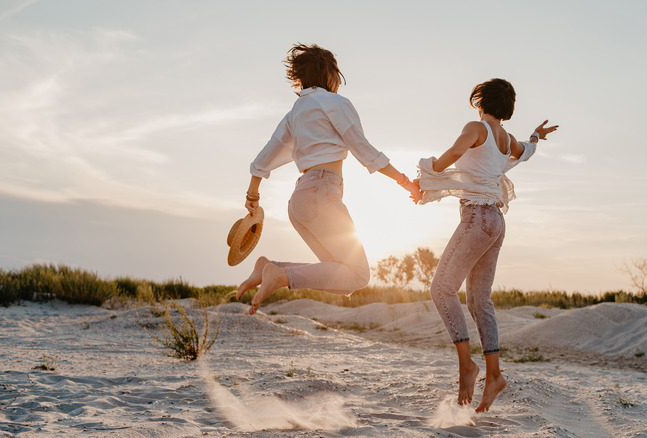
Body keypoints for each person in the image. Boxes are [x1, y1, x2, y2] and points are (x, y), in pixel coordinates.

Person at [236, 43, 421, 315]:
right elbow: (364, 149)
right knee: (358, 275)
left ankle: (269, 268)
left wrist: (253, 195)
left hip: (300, 201)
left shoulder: (296, 112)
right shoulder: (335, 103)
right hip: (323, 192)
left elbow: (266, 154)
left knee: (340, 277)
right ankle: (279, 276)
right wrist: (404, 181)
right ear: (329, 74)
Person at [416, 78, 558, 412]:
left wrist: (428, 173)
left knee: (441, 289)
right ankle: (494, 375)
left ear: (479, 100)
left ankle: (467, 364)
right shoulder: (506, 138)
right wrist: (537, 135)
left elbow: (452, 153)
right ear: (507, 108)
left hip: (477, 217)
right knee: (480, 301)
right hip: (496, 222)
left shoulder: (476, 127)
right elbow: (526, 150)